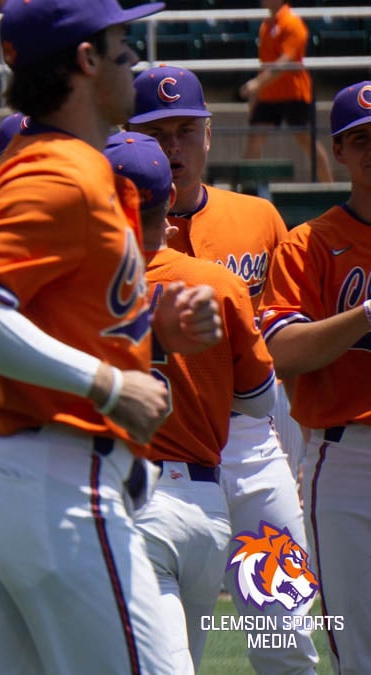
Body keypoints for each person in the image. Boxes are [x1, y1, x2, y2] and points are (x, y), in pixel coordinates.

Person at [0, 0, 225, 671]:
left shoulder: (59, 164)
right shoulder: (64, 170)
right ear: (85, 60)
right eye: (121, 46)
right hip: (54, 479)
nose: (132, 62)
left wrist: (152, 327)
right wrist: (110, 381)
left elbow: (39, 314)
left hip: (4, 474)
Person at [126, 64, 318, 674]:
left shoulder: (258, 218)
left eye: (185, 130)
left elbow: (286, 337)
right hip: (163, 452)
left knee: (286, 632)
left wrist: (293, 441)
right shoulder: (114, 239)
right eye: (156, 133)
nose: (172, 146)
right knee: (170, 647)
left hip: (251, 445)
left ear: (209, 135)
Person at [107, 130, 277, 672]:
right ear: (170, 201)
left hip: (131, 501)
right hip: (208, 509)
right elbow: (258, 401)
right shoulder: (218, 283)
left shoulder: (82, 288)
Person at [260, 80, 371, 675]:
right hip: (347, 456)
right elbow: (281, 352)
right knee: (359, 647)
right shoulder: (309, 244)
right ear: (339, 152)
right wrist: (365, 316)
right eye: (360, 140)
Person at [240, 0, 333, 183]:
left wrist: (257, 84)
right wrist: (257, 96)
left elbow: (286, 62)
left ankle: (330, 188)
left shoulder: (292, 23)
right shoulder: (266, 25)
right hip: (268, 94)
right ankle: (248, 190)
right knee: (255, 139)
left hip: (293, 93)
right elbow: (265, 64)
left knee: (307, 141)